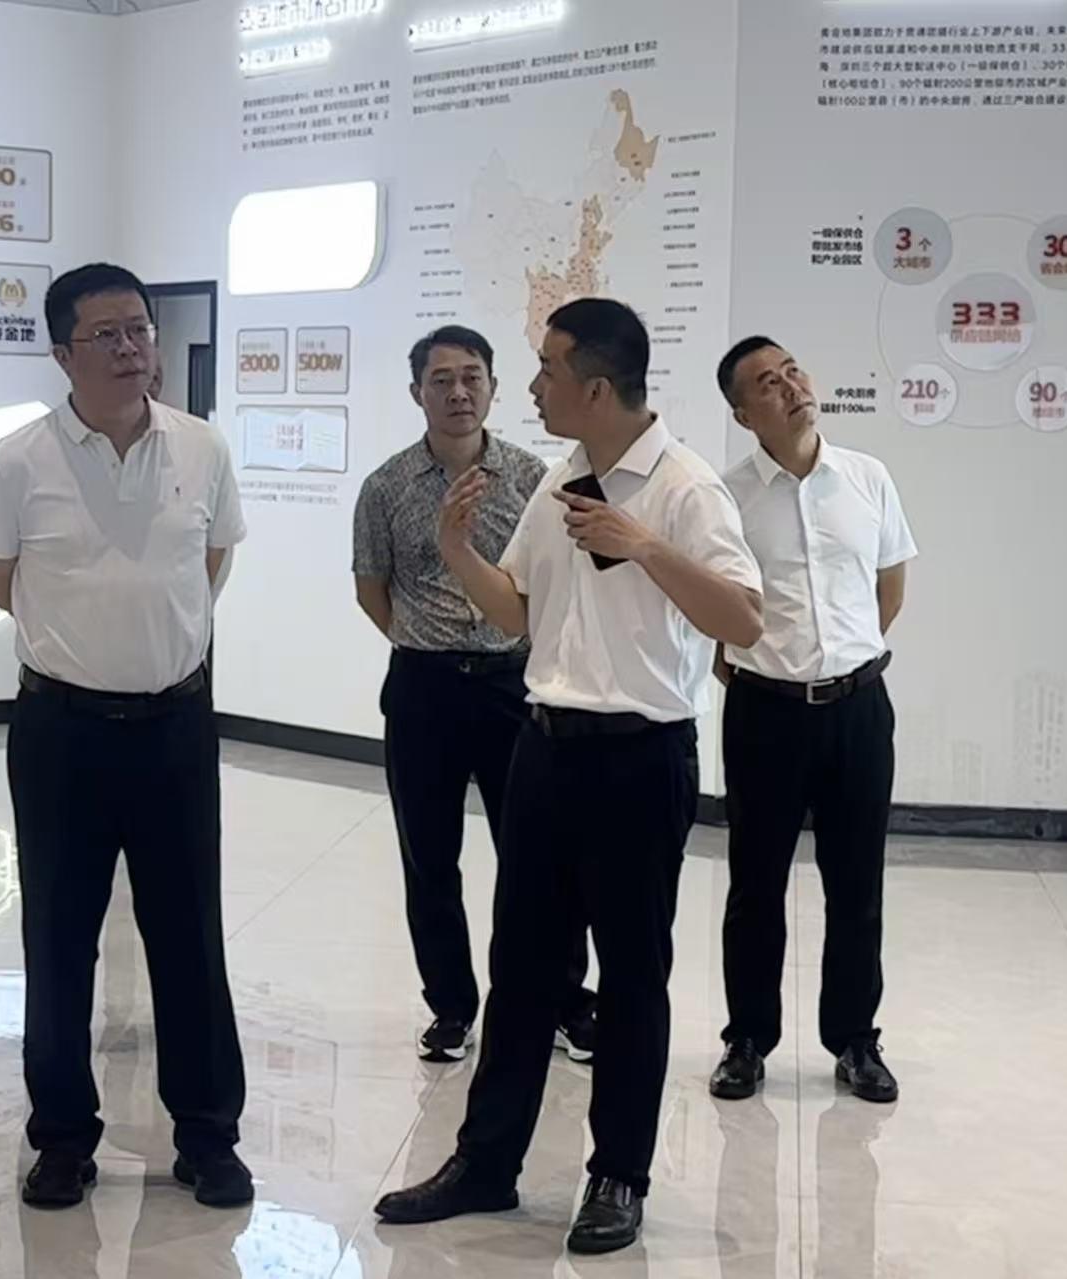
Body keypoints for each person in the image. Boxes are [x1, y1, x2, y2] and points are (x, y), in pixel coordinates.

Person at [375, 299, 763, 1255]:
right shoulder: (559, 476)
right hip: (543, 749)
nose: (532, 385)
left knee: (631, 976)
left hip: (639, 757)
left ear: (594, 384)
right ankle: (486, 1161)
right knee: (522, 970)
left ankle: (618, 1174)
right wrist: (457, 550)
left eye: (545, 369)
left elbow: (744, 621)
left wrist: (647, 546)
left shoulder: (684, 489)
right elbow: (516, 613)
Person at [0, 263, 254, 1212]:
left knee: (189, 936)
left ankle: (207, 1135)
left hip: (176, 724)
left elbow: (210, 560)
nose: (133, 348)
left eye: (140, 329)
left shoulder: (201, 446)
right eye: (108, 335)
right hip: (62, 730)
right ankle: (60, 1138)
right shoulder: (18, 460)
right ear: (63, 353)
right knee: (58, 939)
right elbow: (2, 581)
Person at [351, 324, 597, 1065]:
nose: (458, 392)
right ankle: (451, 1007)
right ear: (416, 392)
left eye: (471, 377)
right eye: (441, 380)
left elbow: (553, 584)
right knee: (429, 857)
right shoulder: (386, 486)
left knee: (540, 855)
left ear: (492, 387)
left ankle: (562, 1001)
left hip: (512, 685)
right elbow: (372, 588)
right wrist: (427, 642)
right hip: (422, 688)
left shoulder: (533, 478)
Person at [706, 337, 915, 1106]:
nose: (789, 385)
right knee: (754, 885)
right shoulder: (725, 497)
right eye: (766, 382)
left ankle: (855, 1039)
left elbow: (888, 587)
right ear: (742, 413)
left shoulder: (866, 477)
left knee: (856, 883)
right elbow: (710, 601)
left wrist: (842, 661)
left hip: (858, 708)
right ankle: (746, 1038)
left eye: (791, 369)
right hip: (764, 711)